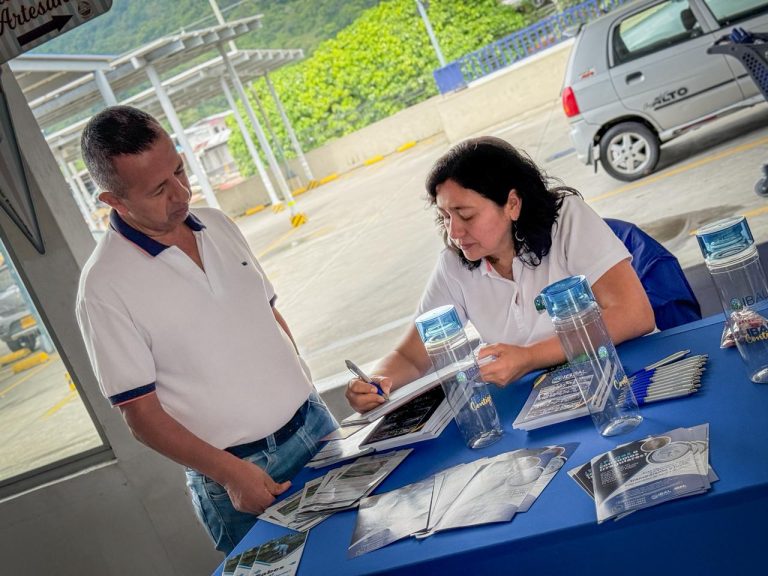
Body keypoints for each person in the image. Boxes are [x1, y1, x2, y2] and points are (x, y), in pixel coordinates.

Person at [76, 106, 337, 554]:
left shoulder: (217, 224)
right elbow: (139, 414)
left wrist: (305, 391)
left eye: (179, 170)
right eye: (159, 189)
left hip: (316, 427)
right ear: (113, 201)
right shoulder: (104, 287)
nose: (181, 193)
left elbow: (267, 314)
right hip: (244, 477)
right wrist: (230, 474)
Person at [346, 136, 655, 413]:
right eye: (445, 217)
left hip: (620, 381)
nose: (454, 232)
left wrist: (530, 357)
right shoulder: (455, 263)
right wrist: (374, 381)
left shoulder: (567, 220)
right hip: (542, 404)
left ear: (512, 204)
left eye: (466, 215)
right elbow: (412, 357)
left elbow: (634, 314)